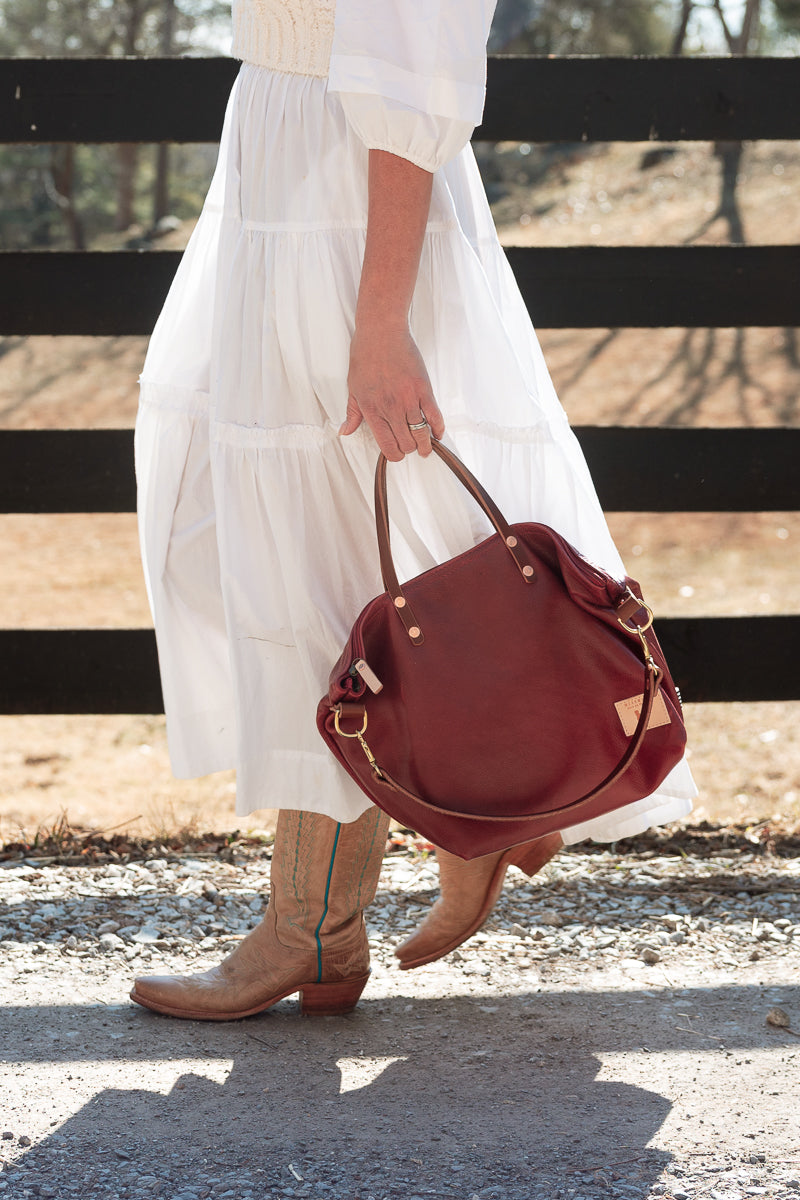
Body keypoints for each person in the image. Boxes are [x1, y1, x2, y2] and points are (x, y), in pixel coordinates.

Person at [130, 0, 696, 1021]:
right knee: (238, 543)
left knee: (323, 565)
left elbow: (416, 64)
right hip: (274, 168)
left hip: (349, 205)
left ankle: (317, 921)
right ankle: (476, 802)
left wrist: (381, 321)